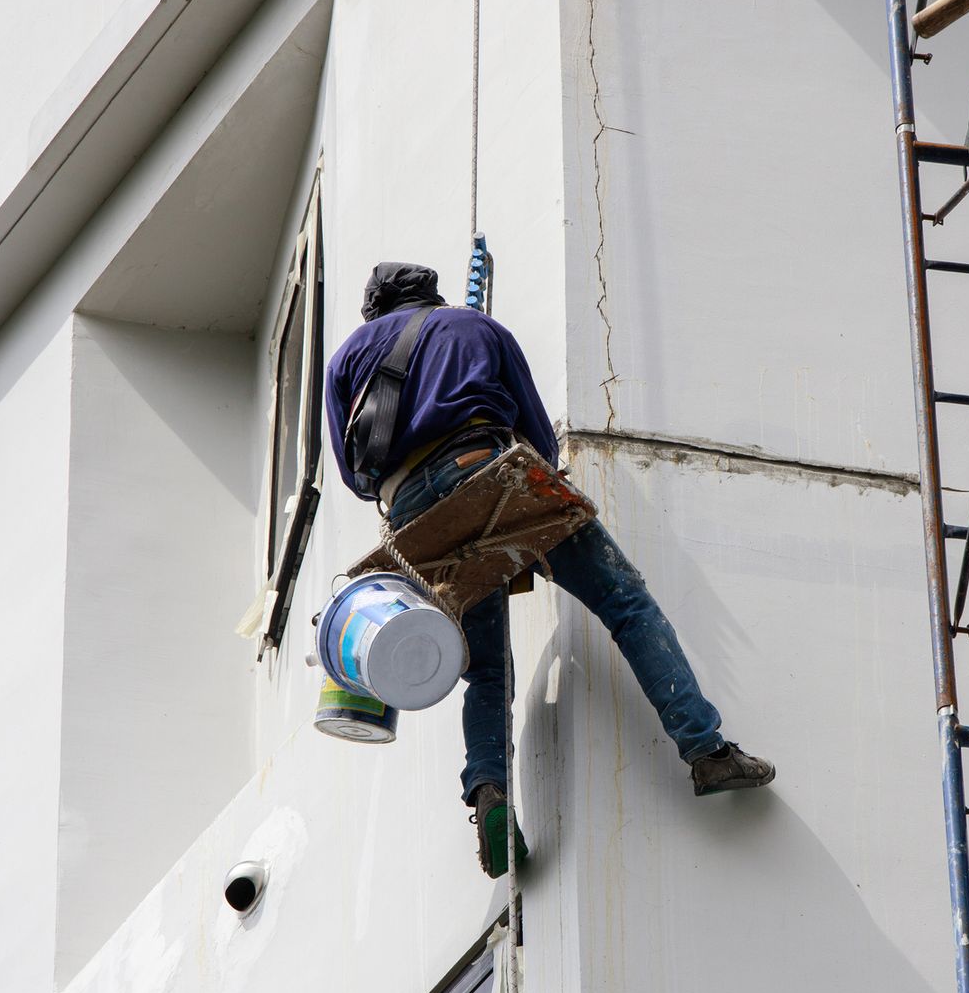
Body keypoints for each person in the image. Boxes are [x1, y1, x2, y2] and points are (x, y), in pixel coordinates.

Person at [325, 262, 776, 877]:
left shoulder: (348, 358)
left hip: (415, 522)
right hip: (487, 468)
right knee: (625, 602)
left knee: (485, 669)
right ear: (432, 295)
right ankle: (705, 749)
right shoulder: (474, 326)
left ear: (374, 311)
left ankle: (489, 789)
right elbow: (538, 434)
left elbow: (355, 477)